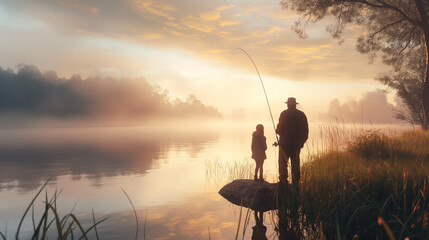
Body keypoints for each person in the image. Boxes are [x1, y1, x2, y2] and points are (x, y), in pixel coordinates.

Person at [275, 97, 308, 184]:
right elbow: (306, 131)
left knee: (283, 163)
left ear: (288, 105)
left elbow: (279, 129)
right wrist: (301, 142)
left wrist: (277, 131)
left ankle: (283, 181)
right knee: (295, 163)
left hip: (284, 143)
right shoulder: (302, 115)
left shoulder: (284, 114)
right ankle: (295, 182)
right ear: (295, 105)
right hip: (297, 144)